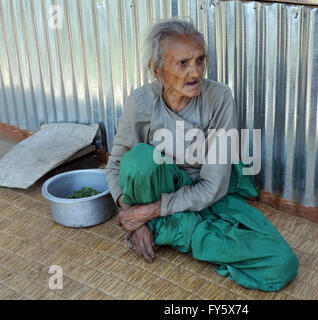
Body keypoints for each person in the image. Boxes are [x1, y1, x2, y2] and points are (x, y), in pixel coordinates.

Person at [105, 17, 299, 292]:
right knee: (138, 160)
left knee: (282, 264)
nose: (195, 72)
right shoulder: (141, 102)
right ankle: (179, 231)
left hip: (209, 197)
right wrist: (132, 219)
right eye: (182, 63)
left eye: (200, 60)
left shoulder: (219, 98)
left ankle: (170, 230)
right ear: (156, 69)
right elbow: (115, 166)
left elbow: (213, 185)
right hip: (162, 187)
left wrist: (148, 213)